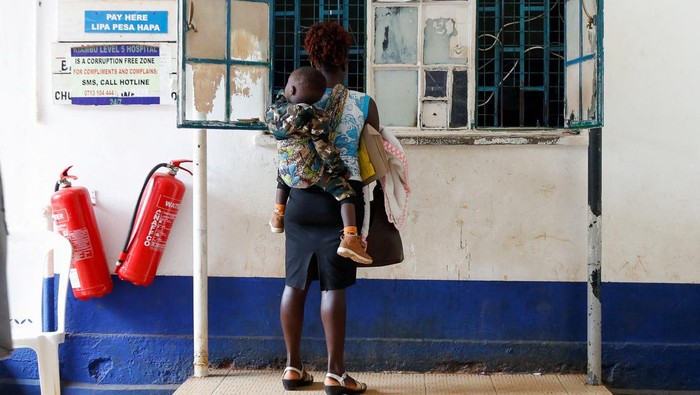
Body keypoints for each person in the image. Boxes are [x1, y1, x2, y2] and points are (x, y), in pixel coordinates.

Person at [278, 21, 381, 395]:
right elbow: (375, 157)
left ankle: (292, 369)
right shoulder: (363, 103)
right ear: (346, 58)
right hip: (344, 203)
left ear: (311, 56)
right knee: (333, 287)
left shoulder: (293, 98)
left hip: (298, 199)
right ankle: (335, 375)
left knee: (295, 283)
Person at [266, 66, 372, 265]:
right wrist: (340, 169)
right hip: (311, 172)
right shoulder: (315, 116)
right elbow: (324, 149)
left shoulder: (273, 111)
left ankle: (278, 214)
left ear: (291, 90)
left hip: (288, 172)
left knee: (281, 175)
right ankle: (350, 237)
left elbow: (285, 94)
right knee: (345, 193)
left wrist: (289, 89)